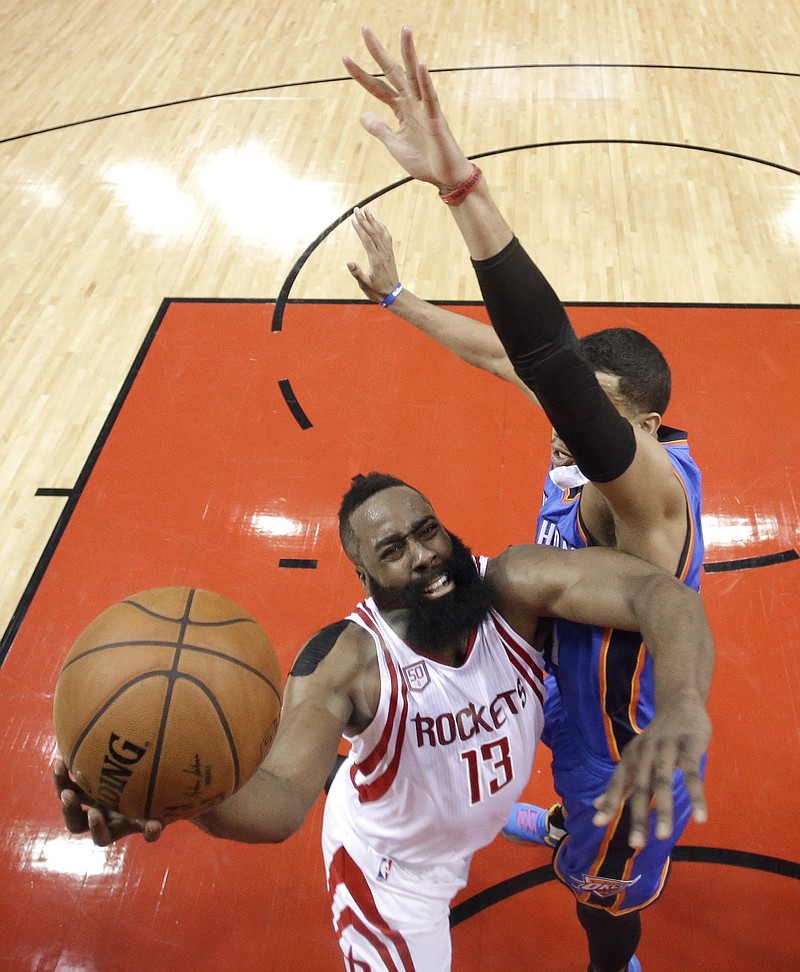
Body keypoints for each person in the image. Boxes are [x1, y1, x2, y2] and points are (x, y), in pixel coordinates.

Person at [343, 26, 710, 972]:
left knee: (601, 899)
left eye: (593, 407)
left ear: (646, 421)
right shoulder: (586, 444)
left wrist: (464, 187)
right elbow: (512, 358)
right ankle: (545, 815)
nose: (565, 419)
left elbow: (546, 358)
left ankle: (609, 958)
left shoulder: (644, 493)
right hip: (563, 691)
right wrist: (396, 299)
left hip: (626, 752)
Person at [56, 472, 713, 972]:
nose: (422, 555)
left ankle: (491, 814)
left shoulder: (509, 584)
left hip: (454, 818)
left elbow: (659, 595)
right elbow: (282, 800)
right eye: (392, 549)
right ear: (363, 573)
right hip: (392, 873)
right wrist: (178, 797)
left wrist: (683, 702)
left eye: (427, 530)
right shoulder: (345, 659)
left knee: (498, 782)